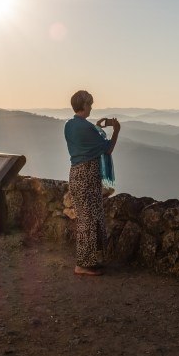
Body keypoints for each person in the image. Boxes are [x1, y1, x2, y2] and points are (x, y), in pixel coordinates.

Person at [64, 90, 121, 276]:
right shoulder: (86, 128)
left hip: (76, 175)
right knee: (88, 220)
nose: (91, 107)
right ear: (84, 105)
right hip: (88, 176)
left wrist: (96, 128)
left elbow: (86, 142)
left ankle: (92, 260)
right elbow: (108, 149)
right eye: (90, 104)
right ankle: (83, 264)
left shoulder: (69, 125)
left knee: (88, 218)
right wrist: (116, 131)